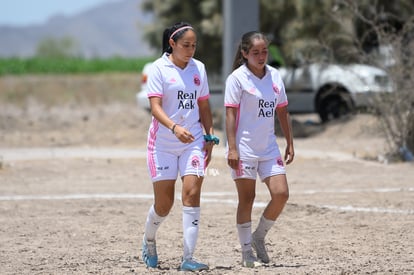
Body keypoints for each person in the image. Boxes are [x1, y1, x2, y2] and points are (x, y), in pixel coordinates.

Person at [141, 22, 218, 271]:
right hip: (162, 144)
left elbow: (204, 106)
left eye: (194, 45)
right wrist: (174, 128)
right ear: (172, 44)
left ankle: (188, 258)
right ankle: (149, 240)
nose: (191, 50)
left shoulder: (199, 69)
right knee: (164, 205)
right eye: (186, 45)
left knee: (192, 194)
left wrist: (209, 136)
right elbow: (155, 108)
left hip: (193, 141)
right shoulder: (159, 69)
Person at [224, 31, 294, 268]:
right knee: (247, 198)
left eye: (265, 51)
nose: (261, 56)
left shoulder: (275, 76)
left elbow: (282, 110)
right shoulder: (237, 78)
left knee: (281, 194)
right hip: (243, 148)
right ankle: (246, 252)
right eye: (255, 52)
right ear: (245, 54)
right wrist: (232, 148)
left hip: (268, 147)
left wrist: (290, 142)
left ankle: (259, 237)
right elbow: (230, 114)